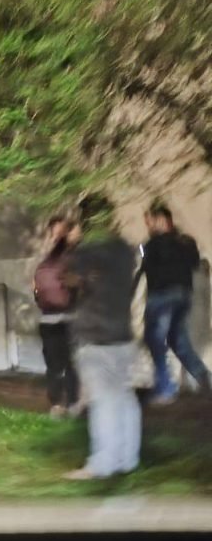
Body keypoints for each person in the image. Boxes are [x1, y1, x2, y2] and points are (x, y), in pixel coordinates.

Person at [62, 195, 140, 480]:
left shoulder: (87, 251)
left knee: (104, 400)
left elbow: (71, 281)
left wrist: (72, 247)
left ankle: (102, 464)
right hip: (122, 332)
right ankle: (127, 459)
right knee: (124, 396)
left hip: (96, 335)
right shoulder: (123, 249)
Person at [136, 205, 211, 403]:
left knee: (154, 339)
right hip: (183, 295)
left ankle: (165, 387)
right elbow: (195, 264)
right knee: (179, 341)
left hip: (161, 296)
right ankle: (205, 380)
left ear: (162, 220)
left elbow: (144, 269)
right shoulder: (186, 242)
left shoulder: (151, 245)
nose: (148, 226)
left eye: (149, 221)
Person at [33, 216, 80, 416]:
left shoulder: (43, 263)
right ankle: (72, 404)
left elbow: (35, 291)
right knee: (71, 364)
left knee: (53, 366)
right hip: (69, 319)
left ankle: (55, 405)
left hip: (47, 319)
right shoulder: (72, 260)